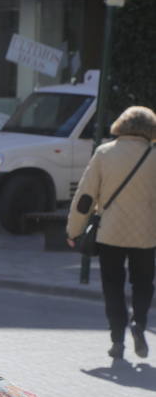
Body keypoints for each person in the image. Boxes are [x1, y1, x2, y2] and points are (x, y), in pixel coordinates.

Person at [67, 106, 156, 360]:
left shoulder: (104, 153)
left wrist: (74, 230)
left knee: (112, 287)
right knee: (143, 283)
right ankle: (138, 322)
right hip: (146, 235)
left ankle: (117, 340)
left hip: (110, 234)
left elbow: (85, 198)